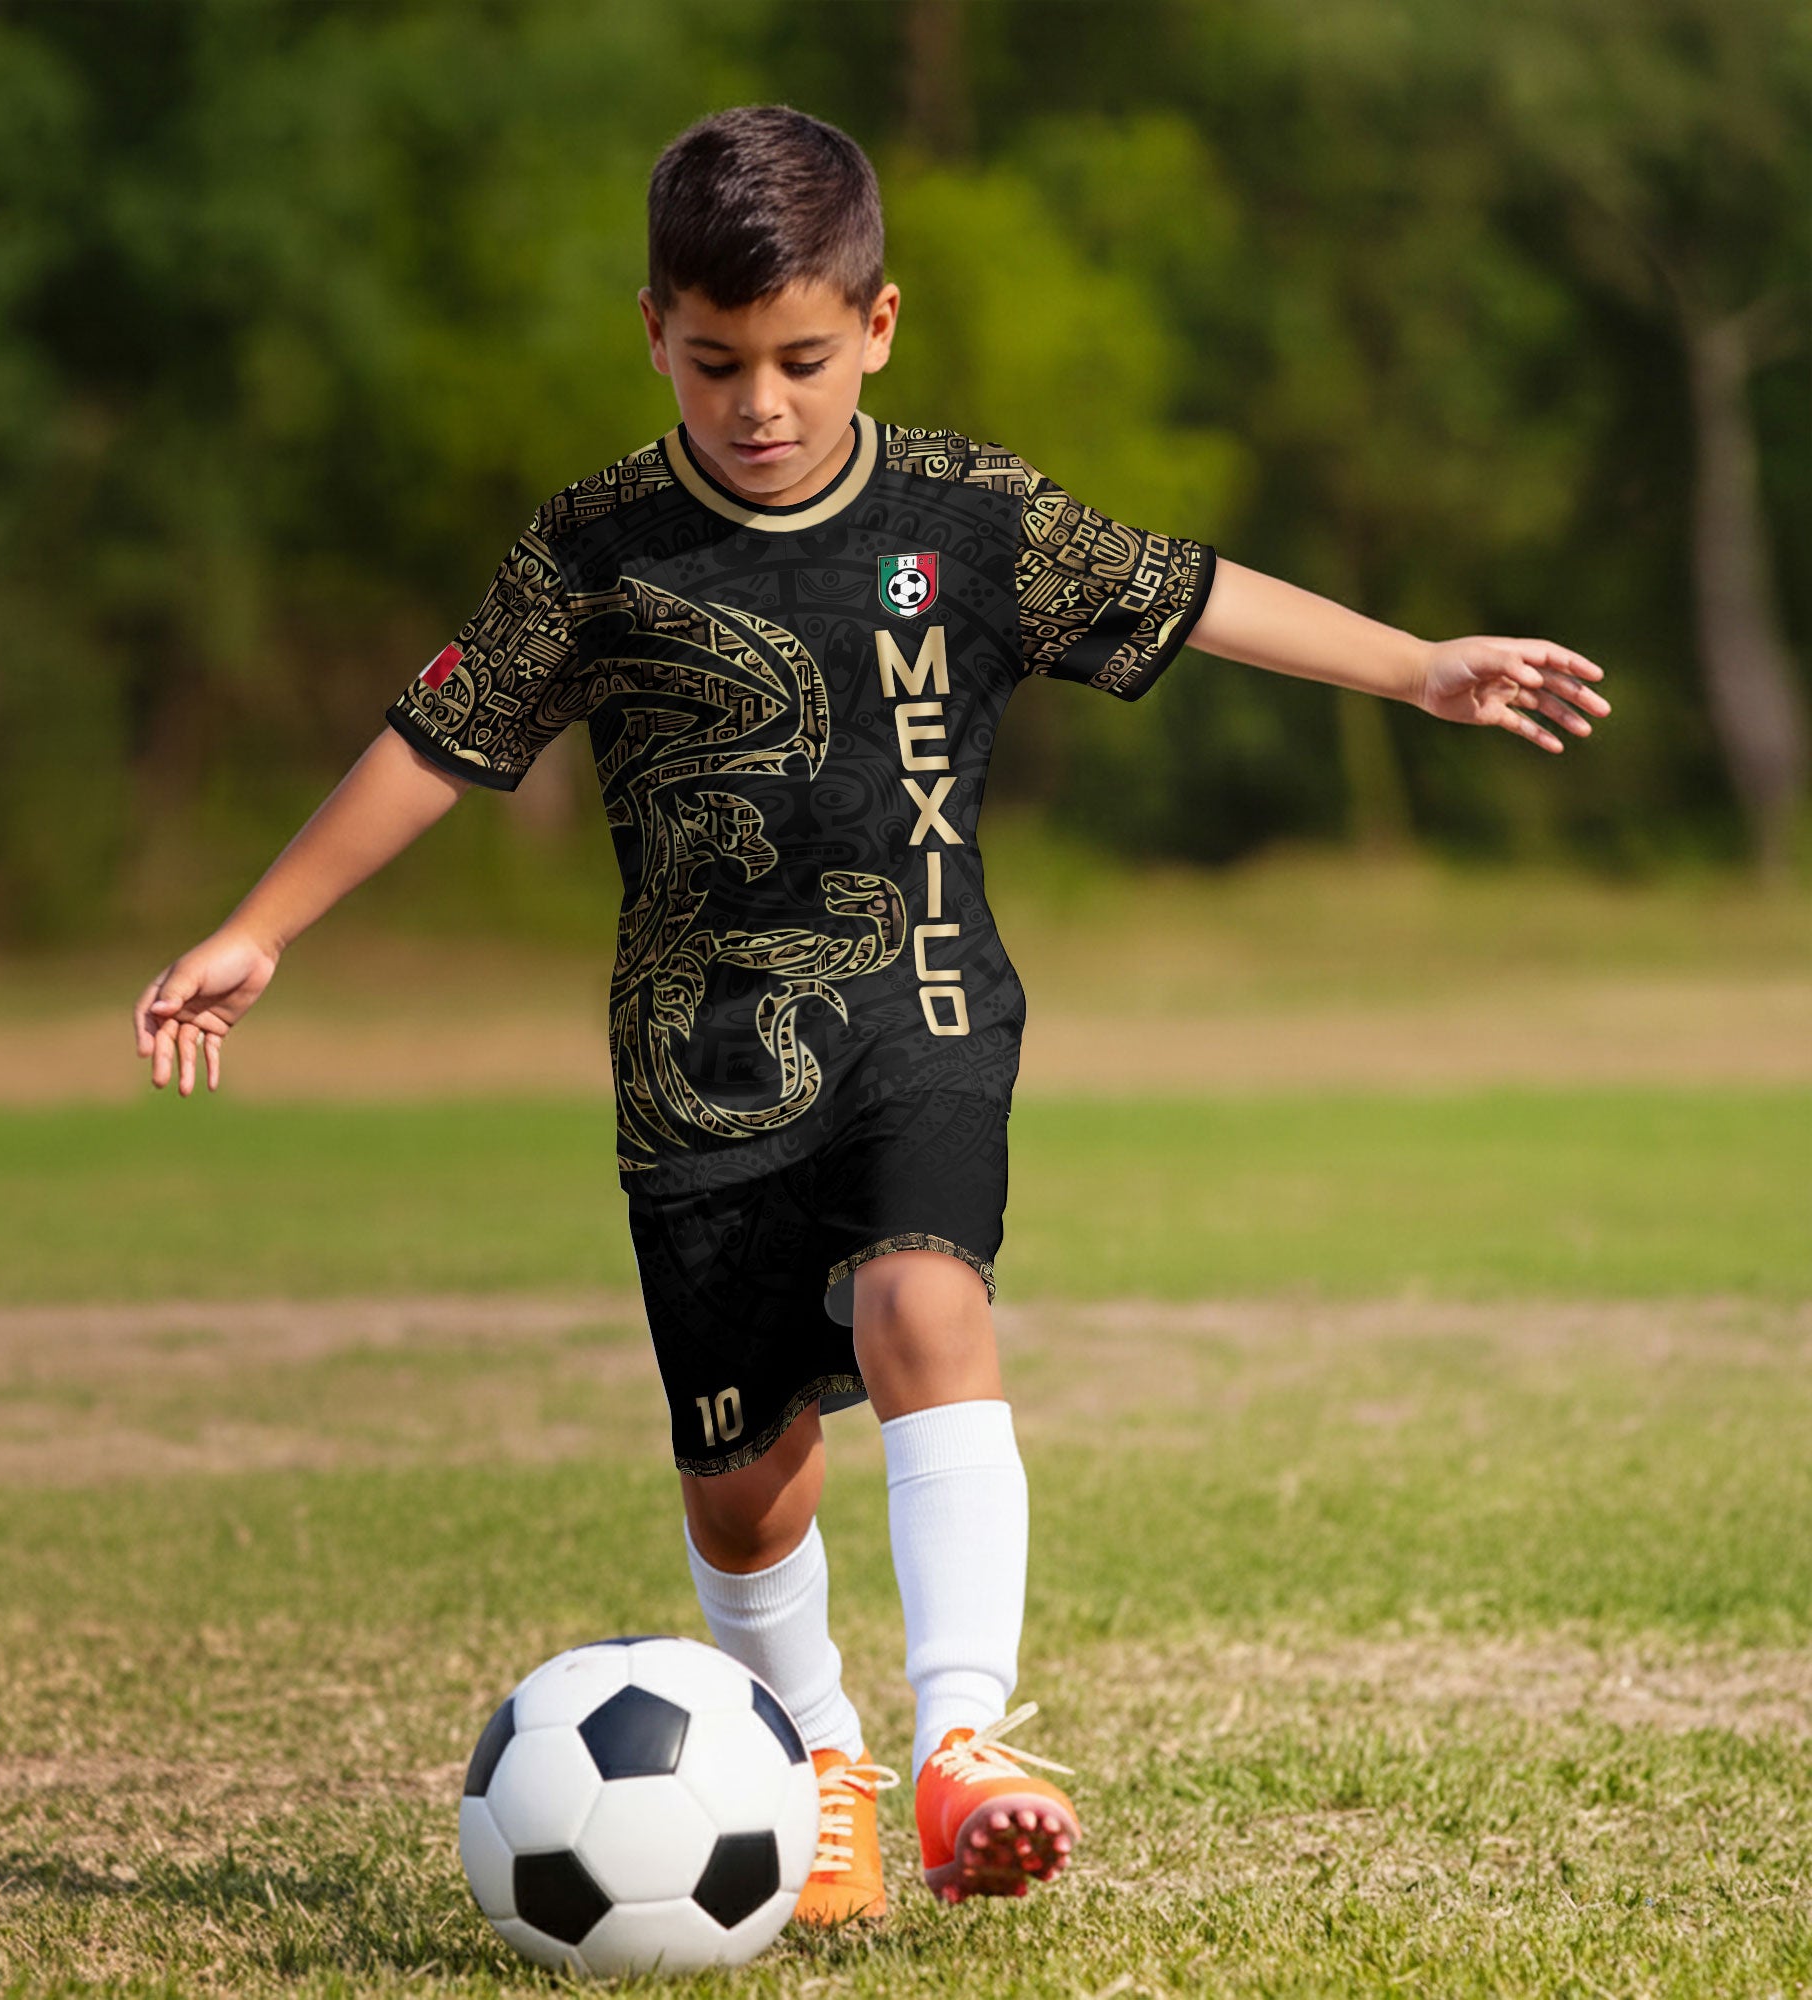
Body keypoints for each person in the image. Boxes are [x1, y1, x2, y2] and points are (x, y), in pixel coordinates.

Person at [133, 104, 1609, 1924]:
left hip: (923, 1008)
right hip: (697, 1062)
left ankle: (963, 1744)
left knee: (928, 1301)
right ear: (654, 334)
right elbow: (442, 738)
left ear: (879, 326)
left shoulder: (971, 517)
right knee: (747, 1485)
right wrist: (259, 927)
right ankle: (819, 1758)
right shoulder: (596, 549)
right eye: (716, 363)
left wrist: (1420, 665)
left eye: (803, 361)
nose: (761, 403)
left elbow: (1189, 590)